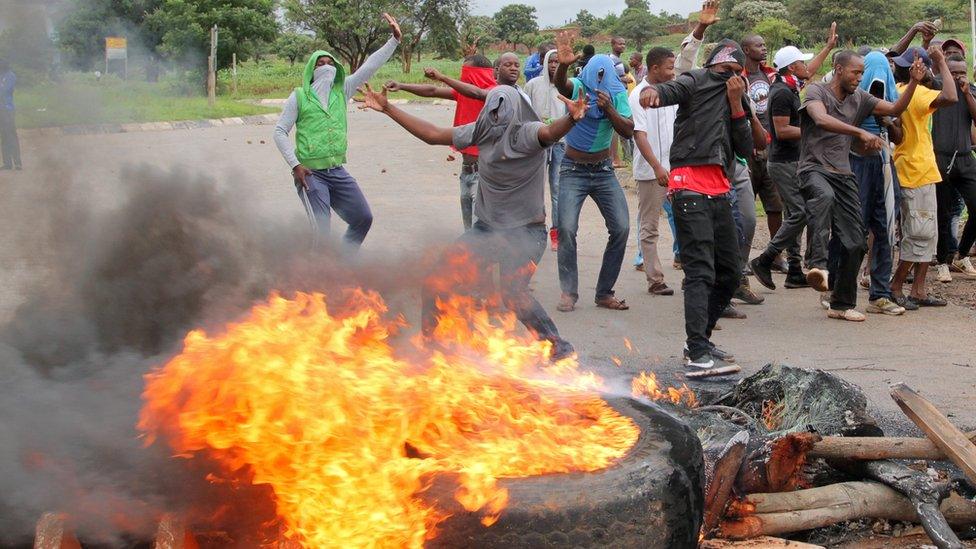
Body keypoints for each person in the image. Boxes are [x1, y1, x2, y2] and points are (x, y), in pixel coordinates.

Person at [358, 83, 587, 361]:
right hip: (487, 230)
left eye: (502, 109)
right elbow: (432, 135)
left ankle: (558, 347)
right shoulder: (482, 131)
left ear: (515, 110)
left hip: (526, 232)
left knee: (512, 292)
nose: (496, 116)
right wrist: (388, 108)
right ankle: (432, 348)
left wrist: (571, 120)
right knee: (435, 281)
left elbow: (549, 132)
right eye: (492, 109)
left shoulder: (526, 133)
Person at [637, 39, 755, 369]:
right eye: (723, 72)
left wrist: (736, 105)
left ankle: (700, 341)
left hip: (720, 188)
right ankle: (697, 348)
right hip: (689, 185)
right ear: (712, 67)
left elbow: (746, 147)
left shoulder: (737, 93)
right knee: (700, 270)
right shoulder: (696, 80)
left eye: (736, 73)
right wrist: (654, 95)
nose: (729, 78)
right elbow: (672, 90)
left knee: (730, 273)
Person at [797, 50, 922, 321]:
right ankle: (817, 266)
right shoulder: (817, 91)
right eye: (856, 72)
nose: (860, 78)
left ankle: (841, 304)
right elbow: (820, 119)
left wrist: (913, 82)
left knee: (855, 241)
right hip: (815, 168)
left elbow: (895, 109)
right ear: (838, 69)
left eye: (862, 72)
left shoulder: (860, 98)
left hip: (843, 174)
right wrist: (859, 131)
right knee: (824, 198)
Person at [273, 14, 401, 249]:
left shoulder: (342, 92)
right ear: (311, 70)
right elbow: (280, 131)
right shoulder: (300, 97)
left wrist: (393, 40)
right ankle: (315, 277)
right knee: (321, 233)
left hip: (337, 171)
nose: (326, 68)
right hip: (311, 174)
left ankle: (343, 262)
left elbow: (370, 66)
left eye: (330, 63)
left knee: (363, 218)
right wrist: (295, 165)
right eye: (320, 64)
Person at [628, 2, 715, 298]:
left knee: (688, 221)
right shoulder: (639, 94)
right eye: (667, 68)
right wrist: (656, 167)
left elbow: (686, 60)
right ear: (654, 69)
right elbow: (639, 135)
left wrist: (700, 28)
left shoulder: (673, 87)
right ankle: (654, 279)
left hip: (678, 168)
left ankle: (693, 273)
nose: (672, 71)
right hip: (653, 170)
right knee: (650, 226)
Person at [552, 31, 635, 313]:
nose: (598, 78)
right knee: (566, 228)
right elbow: (562, 86)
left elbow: (627, 129)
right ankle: (568, 292)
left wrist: (609, 108)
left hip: (603, 171)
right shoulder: (578, 86)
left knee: (622, 228)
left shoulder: (617, 94)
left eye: (604, 74)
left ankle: (604, 293)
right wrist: (563, 64)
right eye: (594, 73)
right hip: (572, 169)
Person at [750, 40, 837, 293]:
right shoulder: (780, 93)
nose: (805, 67)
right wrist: (814, 131)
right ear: (791, 67)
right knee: (800, 213)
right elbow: (781, 130)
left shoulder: (788, 86)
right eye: (800, 63)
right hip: (783, 162)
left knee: (794, 214)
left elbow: (811, 69)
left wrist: (829, 46)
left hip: (790, 160)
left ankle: (795, 271)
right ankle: (765, 259)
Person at [384, 55, 496, 230]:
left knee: (480, 232)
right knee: (470, 230)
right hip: (467, 171)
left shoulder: (494, 93)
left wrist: (443, 77)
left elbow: (475, 93)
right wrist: (402, 86)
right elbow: (432, 91)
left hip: (484, 173)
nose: (461, 77)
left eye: (465, 73)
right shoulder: (463, 93)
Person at [889, 46, 957, 309]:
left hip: (918, 170)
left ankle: (918, 289)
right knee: (918, 233)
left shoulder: (899, 90)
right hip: (915, 171)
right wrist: (941, 61)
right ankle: (897, 286)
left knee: (927, 235)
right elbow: (951, 96)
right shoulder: (917, 93)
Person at [849, 51, 908, 315]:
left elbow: (900, 136)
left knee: (886, 229)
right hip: (857, 165)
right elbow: (844, 133)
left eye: (884, 69)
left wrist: (889, 122)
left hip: (884, 164)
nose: (878, 76)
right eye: (873, 70)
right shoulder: (853, 99)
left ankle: (880, 294)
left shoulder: (892, 100)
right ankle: (840, 291)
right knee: (852, 230)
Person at [741, 34, 787, 270]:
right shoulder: (737, 78)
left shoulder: (770, 76)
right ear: (746, 50)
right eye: (759, 45)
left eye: (764, 44)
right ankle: (743, 258)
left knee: (775, 205)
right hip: (746, 151)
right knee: (745, 208)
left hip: (771, 149)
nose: (764, 47)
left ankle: (775, 256)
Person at [933, 52, 976, 279]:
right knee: (943, 213)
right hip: (940, 159)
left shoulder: (972, 91)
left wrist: (968, 94)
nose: (959, 77)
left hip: (966, 158)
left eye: (962, 72)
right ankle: (942, 261)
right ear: (944, 72)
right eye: (953, 72)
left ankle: (961, 254)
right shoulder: (936, 88)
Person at [525, 48, 566, 251]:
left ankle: (556, 232)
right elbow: (525, 111)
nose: (553, 66)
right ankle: (533, 230)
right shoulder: (532, 85)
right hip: (538, 143)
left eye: (557, 62)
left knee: (557, 189)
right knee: (535, 188)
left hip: (559, 143)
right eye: (551, 62)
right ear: (545, 63)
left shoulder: (566, 86)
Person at [0, 58, 21, 171]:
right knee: (4, 136)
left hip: (7, 109)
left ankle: (17, 162)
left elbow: (4, 91)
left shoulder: (10, 76)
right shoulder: (1, 75)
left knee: (11, 135)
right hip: (1, 110)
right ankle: (7, 163)